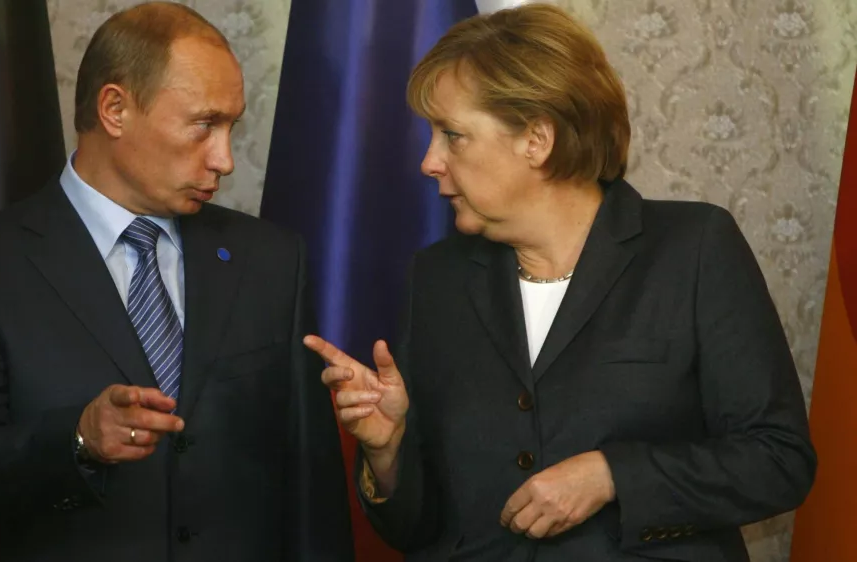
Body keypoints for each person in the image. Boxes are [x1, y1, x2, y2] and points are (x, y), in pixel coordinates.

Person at [305, 4, 816, 561]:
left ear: (537, 139)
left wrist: (611, 474)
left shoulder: (692, 248)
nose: (430, 161)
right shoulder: (437, 279)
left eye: (452, 135)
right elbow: (417, 530)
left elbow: (778, 462)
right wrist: (388, 450)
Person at [0, 3, 353, 561]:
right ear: (115, 109)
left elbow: (310, 483)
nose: (225, 159)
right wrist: (78, 440)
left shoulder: (270, 258)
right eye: (204, 125)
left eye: (231, 127)